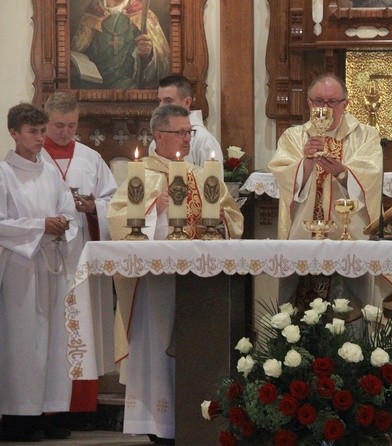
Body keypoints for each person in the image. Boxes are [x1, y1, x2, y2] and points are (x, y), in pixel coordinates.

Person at [106, 105, 243, 444]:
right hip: (157, 284)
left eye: (188, 132)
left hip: (200, 284)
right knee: (157, 346)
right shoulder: (142, 174)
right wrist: (154, 209)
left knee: (196, 344)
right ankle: (161, 425)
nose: (186, 138)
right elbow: (118, 220)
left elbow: (231, 216)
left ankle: (195, 417)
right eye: (180, 132)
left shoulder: (201, 173)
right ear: (159, 136)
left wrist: (218, 220)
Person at [268, 73, 391, 315]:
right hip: (304, 235)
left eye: (332, 102)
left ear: (345, 104)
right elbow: (283, 180)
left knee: (353, 311)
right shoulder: (295, 137)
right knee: (299, 312)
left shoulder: (365, 136)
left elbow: (371, 178)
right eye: (318, 101)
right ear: (308, 103)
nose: (325, 108)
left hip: (350, 234)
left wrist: (343, 174)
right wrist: (305, 163)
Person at [0, 104, 78, 441]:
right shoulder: (3, 174)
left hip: (51, 263)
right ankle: (19, 418)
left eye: (42, 131)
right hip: (21, 268)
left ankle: (47, 411)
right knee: (22, 342)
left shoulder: (49, 172)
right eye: (33, 132)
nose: (40, 138)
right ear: (14, 133)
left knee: (52, 341)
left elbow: (68, 208)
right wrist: (38, 227)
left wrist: (63, 224)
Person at [42, 91, 118, 428]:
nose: (65, 132)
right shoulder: (31, 158)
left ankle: (81, 408)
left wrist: (93, 207)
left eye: (71, 125)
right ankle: (46, 408)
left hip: (82, 258)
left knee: (81, 329)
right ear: (46, 122)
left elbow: (113, 203)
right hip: (44, 258)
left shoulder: (91, 158)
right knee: (48, 334)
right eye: (59, 126)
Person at [71, 0, 170, 89]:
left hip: (128, 87)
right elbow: (78, 51)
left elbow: (163, 63)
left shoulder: (143, 14)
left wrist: (149, 54)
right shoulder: (92, 14)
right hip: (92, 86)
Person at [148, 74, 225, 169]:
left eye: (168, 101)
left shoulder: (203, 140)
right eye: (160, 100)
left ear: (187, 102)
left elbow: (213, 181)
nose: (161, 106)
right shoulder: (159, 138)